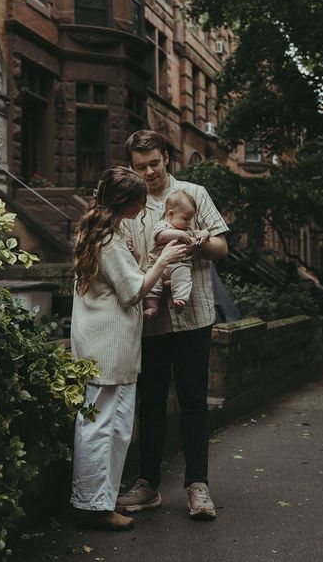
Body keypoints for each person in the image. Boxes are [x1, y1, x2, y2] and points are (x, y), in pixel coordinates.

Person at [117, 131, 229, 521]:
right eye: (140, 166)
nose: (148, 172)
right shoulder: (129, 203)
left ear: (167, 157)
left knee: (194, 400)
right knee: (149, 403)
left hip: (194, 314)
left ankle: (198, 486)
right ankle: (147, 483)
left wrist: (196, 240)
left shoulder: (193, 192)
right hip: (148, 320)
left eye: (154, 163)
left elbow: (221, 248)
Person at [70, 166, 188, 531]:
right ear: (126, 202)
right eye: (140, 200)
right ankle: (94, 507)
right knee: (106, 426)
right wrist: (164, 260)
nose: (144, 205)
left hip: (102, 342)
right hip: (109, 345)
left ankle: (96, 502)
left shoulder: (98, 233)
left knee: (105, 425)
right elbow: (132, 290)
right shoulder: (109, 240)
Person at [143, 190, 210, 317]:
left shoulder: (188, 230)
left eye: (190, 219)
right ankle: (152, 306)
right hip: (158, 265)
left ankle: (180, 300)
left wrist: (205, 233)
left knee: (184, 279)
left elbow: (200, 234)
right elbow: (160, 237)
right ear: (171, 214)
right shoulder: (163, 226)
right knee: (153, 284)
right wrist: (178, 234)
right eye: (185, 219)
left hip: (180, 264)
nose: (188, 223)